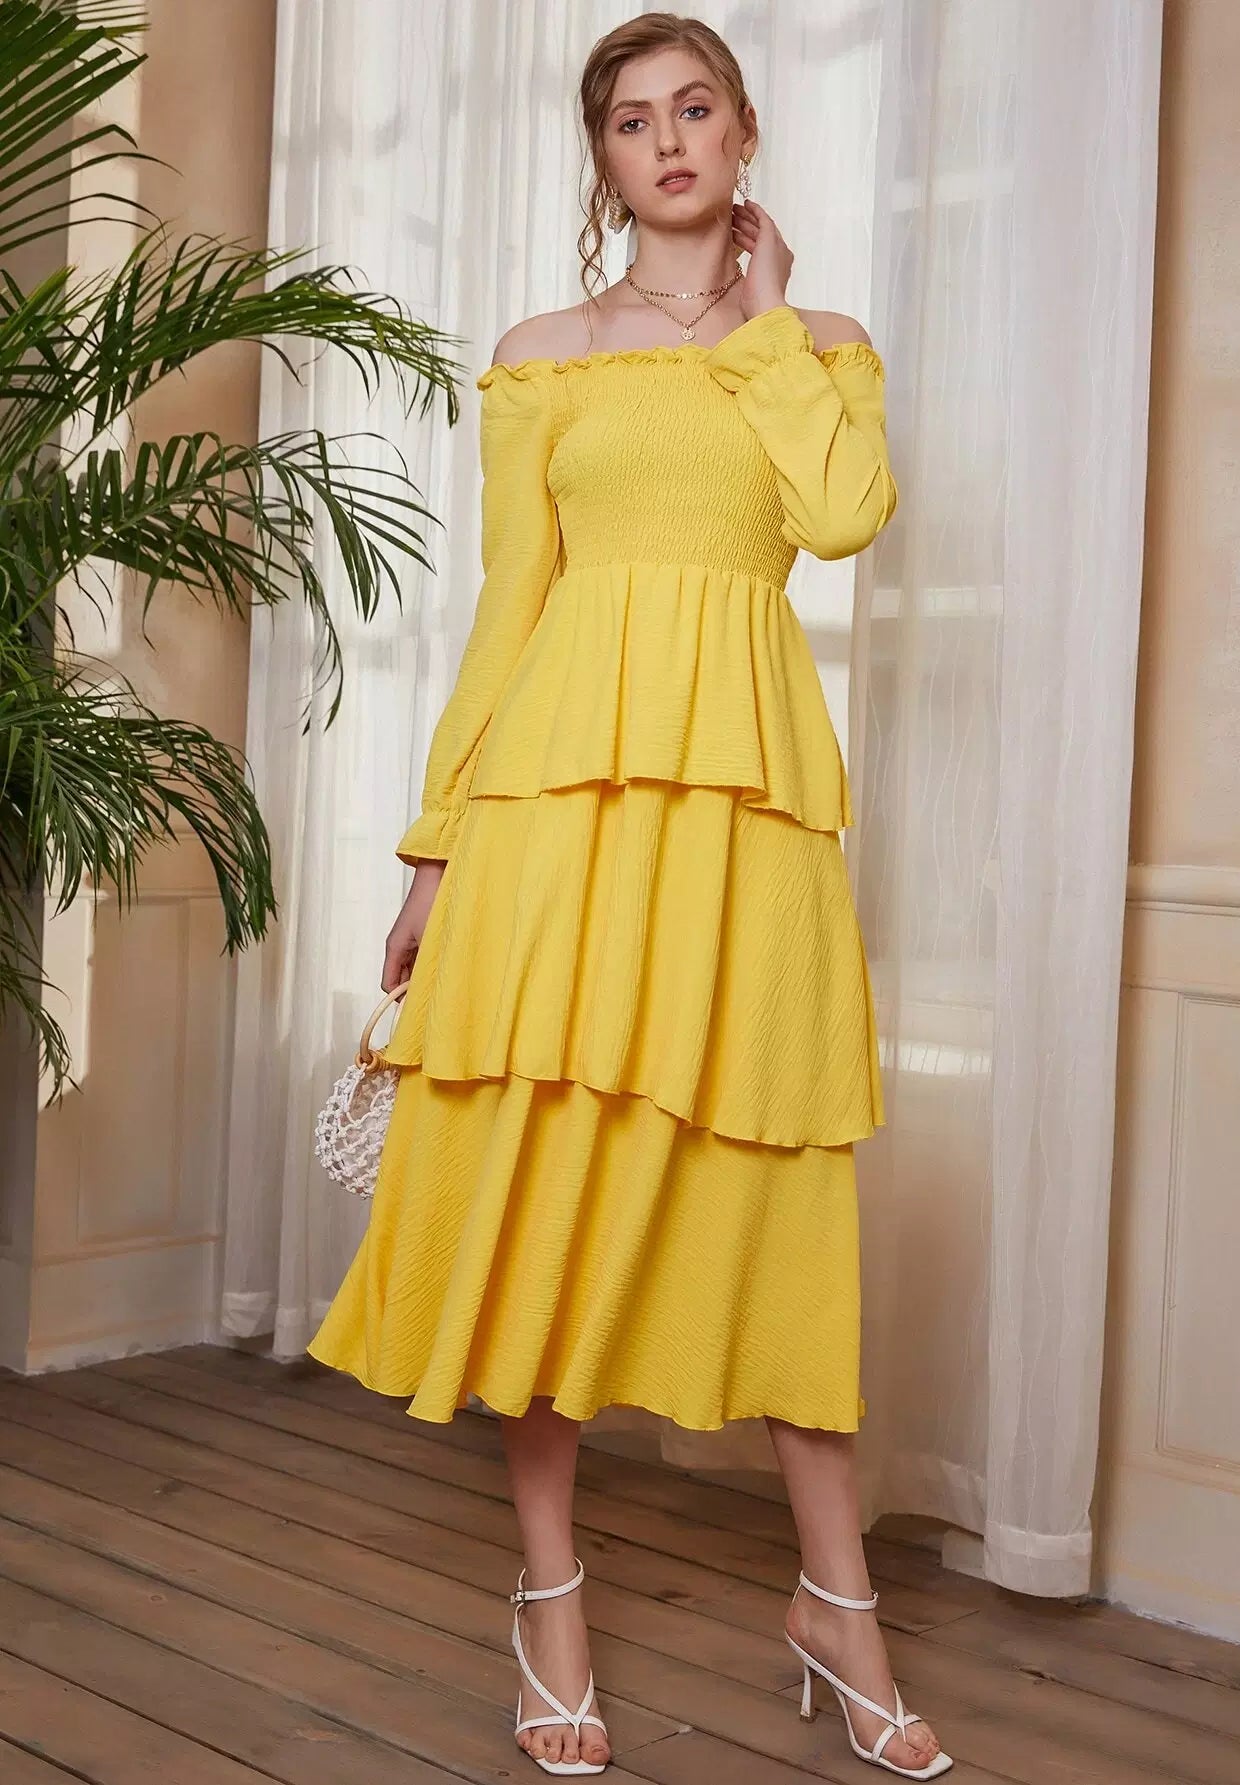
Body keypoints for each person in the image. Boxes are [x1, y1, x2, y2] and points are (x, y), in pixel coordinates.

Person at [308, 11, 950, 1781]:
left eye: (695, 109)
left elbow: (845, 515)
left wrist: (765, 324)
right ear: (600, 158)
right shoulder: (544, 357)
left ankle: (839, 1607)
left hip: (745, 817)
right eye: (630, 120)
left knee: (776, 1184)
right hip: (554, 818)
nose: (666, 141)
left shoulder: (819, 348)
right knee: (552, 1189)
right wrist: (435, 850)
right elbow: (508, 613)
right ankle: (551, 1601)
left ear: (744, 136)